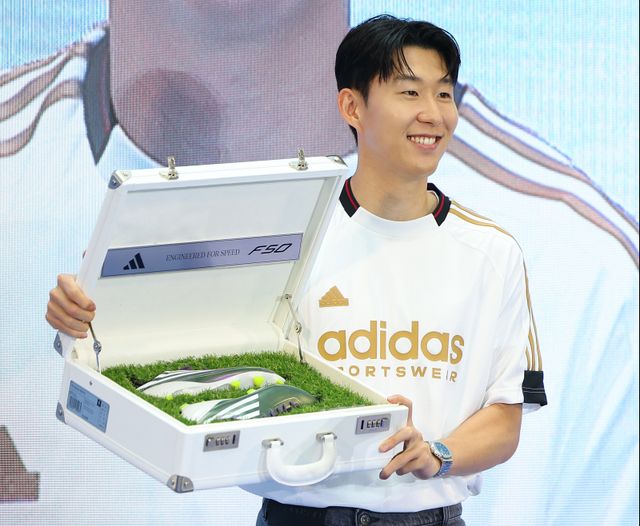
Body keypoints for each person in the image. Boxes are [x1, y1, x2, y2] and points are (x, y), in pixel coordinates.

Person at [46, 15, 547, 526]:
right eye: (409, 92)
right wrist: (80, 316)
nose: (433, 114)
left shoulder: (493, 251)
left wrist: (438, 454)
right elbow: (164, 337)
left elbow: (506, 415)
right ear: (352, 106)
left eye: (442, 94)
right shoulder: (285, 232)